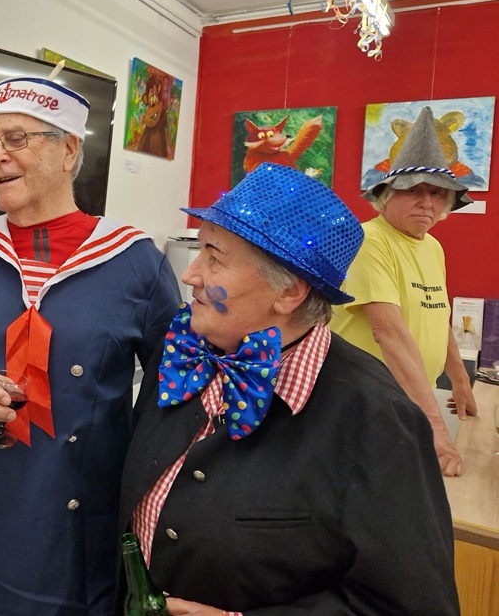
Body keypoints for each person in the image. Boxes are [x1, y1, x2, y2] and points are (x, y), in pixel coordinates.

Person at [119, 163, 459, 615]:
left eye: (214, 256)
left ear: (289, 294)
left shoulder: (376, 419)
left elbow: (412, 606)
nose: (191, 274)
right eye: (199, 249)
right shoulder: (180, 352)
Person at [0, 66, 182, 615]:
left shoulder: (136, 264)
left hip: (74, 556)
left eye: (17, 139)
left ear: (68, 151)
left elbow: (171, 401)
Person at [331, 105, 477, 477]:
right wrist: (435, 426)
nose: (427, 202)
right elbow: (388, 330)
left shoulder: (432, 247)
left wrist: (460, 381)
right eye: (414, 190)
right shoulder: (369, 240)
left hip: (407, 398)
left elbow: (437, 316)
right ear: (387, 196)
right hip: (362, 402)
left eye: (437, 193)